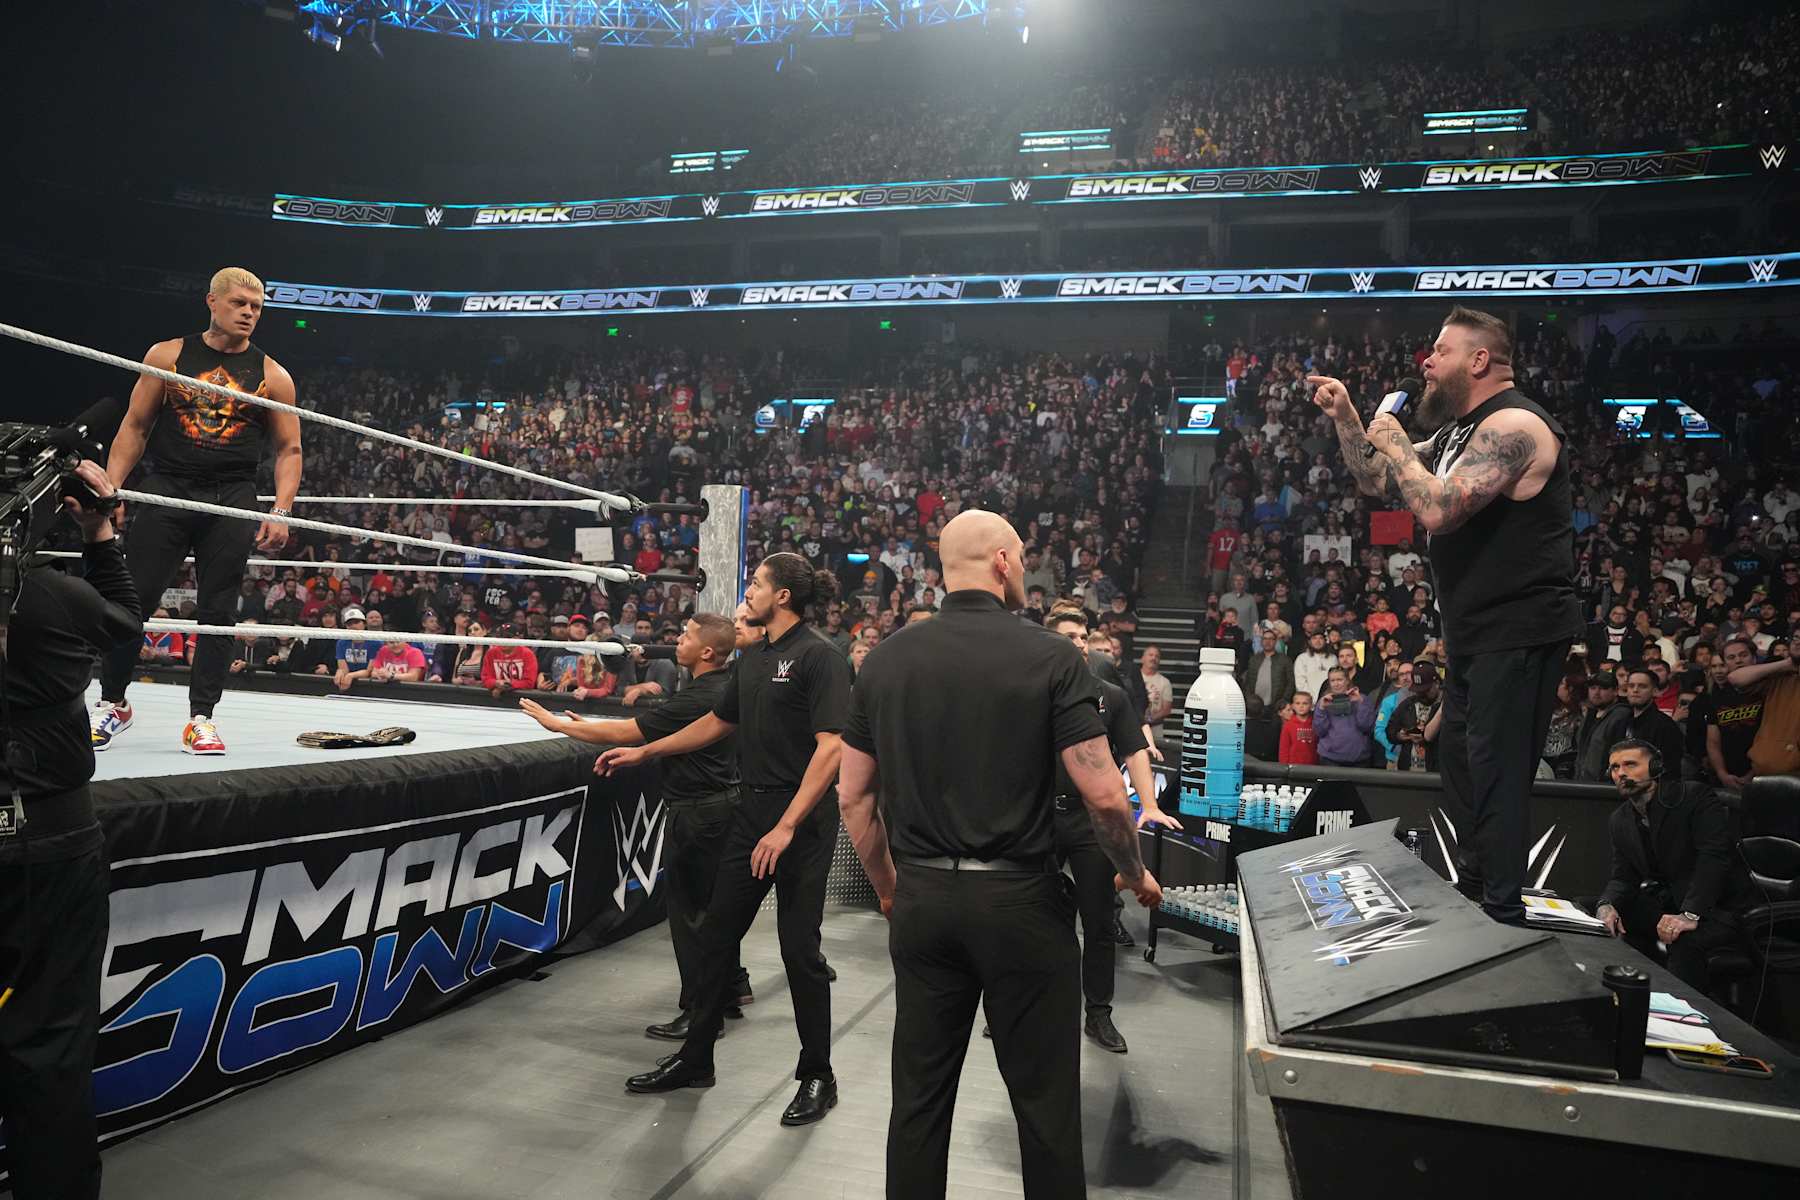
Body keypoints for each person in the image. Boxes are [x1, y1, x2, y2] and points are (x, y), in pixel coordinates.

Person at [835, 509, 1162, 1200]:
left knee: (918, 1102)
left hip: (923, 900)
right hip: (1019, 903)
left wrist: (891, 889)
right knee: (1045, 1106)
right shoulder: (1051, 658)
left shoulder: (885, 659)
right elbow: (1106, 798)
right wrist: (1133, 872)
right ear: (1006, 563)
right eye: (1023, 556)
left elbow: (854, 800)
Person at [1314, 307, 1583, 925]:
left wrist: (1395, 440)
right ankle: (1475, 888)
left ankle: (1502, 908)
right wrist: (1350, 419)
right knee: (1459, 760)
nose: (1425, 363)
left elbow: (1436, 509)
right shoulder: (1462, 432)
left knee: (1497, 764)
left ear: (1479, 360)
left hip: (1519, 627)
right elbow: (1380, 480)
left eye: (1439, 351)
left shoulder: (1514, 424)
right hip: (1472, 631)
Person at [602, 553, 852, 1128]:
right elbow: (717, 722)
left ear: (782, 596)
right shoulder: (754, 659)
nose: (748, 593)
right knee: (714, 936)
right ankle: (697, 1058)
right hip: (751, 811)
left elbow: (831, 747)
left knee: (799, 951)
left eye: (757, 584)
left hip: (802, 822)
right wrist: (646, 750)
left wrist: (787, 824)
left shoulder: (820, 657)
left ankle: (819, 1073)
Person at [0, 461, 141, 1200]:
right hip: (47, 835)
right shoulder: (53, 597)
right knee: (50, 1043)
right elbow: (124, 626)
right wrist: (100, 530)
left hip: (47, 837)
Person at [93, 267, 303, 755]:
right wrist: (113, 488)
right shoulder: (167, 356)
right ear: (213, 301)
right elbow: (136, 424)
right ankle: (114, 703)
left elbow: (289, 449)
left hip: (232, 493)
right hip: (168, 486)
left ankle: (201, 717)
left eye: (257, 307)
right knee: (134, 599)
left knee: (218, 609)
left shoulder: (274, 375)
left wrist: (282, 509)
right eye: (240, 304)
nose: (250, 313)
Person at [519, 612, 750, 1037]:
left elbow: (627, 732)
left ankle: (701, 1015)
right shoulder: (722, 687)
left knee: (690, 915)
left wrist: (555, 724)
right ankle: (731, 989)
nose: (677, 640)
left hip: (699, 813)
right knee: (711, 909)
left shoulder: (697, 698)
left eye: (687, 636)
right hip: (719, 808)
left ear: (707, 652)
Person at [1038, 608, 1181, 1054]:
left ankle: (1098, 1014)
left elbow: (1136, 752)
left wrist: (1151, 805)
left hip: (1091, 820)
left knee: (1099, 919)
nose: (1079, 642)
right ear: (1048, 642)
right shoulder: (1026, 692)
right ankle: (1028, 1004)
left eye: (1083, 635)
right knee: (1030, 918)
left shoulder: (1110, 696)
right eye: (1069, 635)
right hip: (1038, 818)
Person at [1592, 740, 1752, 997]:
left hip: (1719, 909)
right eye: (1614, 767)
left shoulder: (1694, 796)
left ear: (1656, 767)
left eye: (1630, 764)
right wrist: (1606, 905)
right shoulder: (1620, 819)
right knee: (1593, 912)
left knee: (1682, 939)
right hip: (1673, 904)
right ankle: (1620, 999)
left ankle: (1686, 1017)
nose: (1621, 773)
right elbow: (1623, 877)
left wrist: (1690, 914)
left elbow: (1714, 857)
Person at [1727, 636, 1800, 778]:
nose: (1798, 642)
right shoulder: (1782, 675)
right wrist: (1789, 664)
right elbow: (1736, 678)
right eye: (1796, 637)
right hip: (1766, 772)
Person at [1704, 638, 1764, 790]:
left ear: (1754, 658)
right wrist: (1722, 773)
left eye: (1743, 655)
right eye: (1731, 658)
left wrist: (1753, 774)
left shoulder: (1768, 691)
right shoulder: (1716, 696)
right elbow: (1713, 742)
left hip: (1765, 773)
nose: (1738, 660)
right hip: (1728, 774)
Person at [1385, 660, 1444, 773]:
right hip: (1409, 768)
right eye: (1418, 690)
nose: (1421, 694)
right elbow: (1389, 731)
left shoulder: (1446, 704)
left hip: (1437, 769)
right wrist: (1400, 736)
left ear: (1436, 683)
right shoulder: (1408, 704)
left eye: (1426, 690)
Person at [1312, 667, 1378, 767]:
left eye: (1340, 680)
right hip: (1330, 758)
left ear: (1347, 681)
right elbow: (1319, 731)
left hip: (1359, 758)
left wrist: (1360, 702)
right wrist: (1321, 709)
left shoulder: (1362, 699)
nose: (1336, 684)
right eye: (1332, 680)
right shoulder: (1323, 702)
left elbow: (1367, 727)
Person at [1278, 691, 1319, 765]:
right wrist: (1284, 767)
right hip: (1293, 766)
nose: (1301, 706)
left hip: (1313, 766)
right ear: (1293, 706)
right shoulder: (1288, 726)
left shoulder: (1316, 723)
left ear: (1311, 706)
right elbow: (1284, 749)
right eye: (1298, 703)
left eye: (1305, 703)